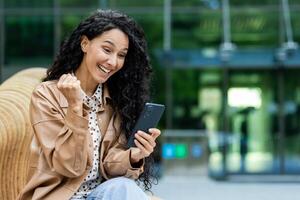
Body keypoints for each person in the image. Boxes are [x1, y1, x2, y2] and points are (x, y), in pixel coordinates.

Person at [17, 9, 161, 200]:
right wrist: (76, 107)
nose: (113, 62)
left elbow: (108, 165)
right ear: (85, 43)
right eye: (107, 50)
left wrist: (134, 155)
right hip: (59, 197)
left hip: (98, 195)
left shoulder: (115, 101)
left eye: (121, 55)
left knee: (125, 187)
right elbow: (69, 166)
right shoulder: (47, 95)